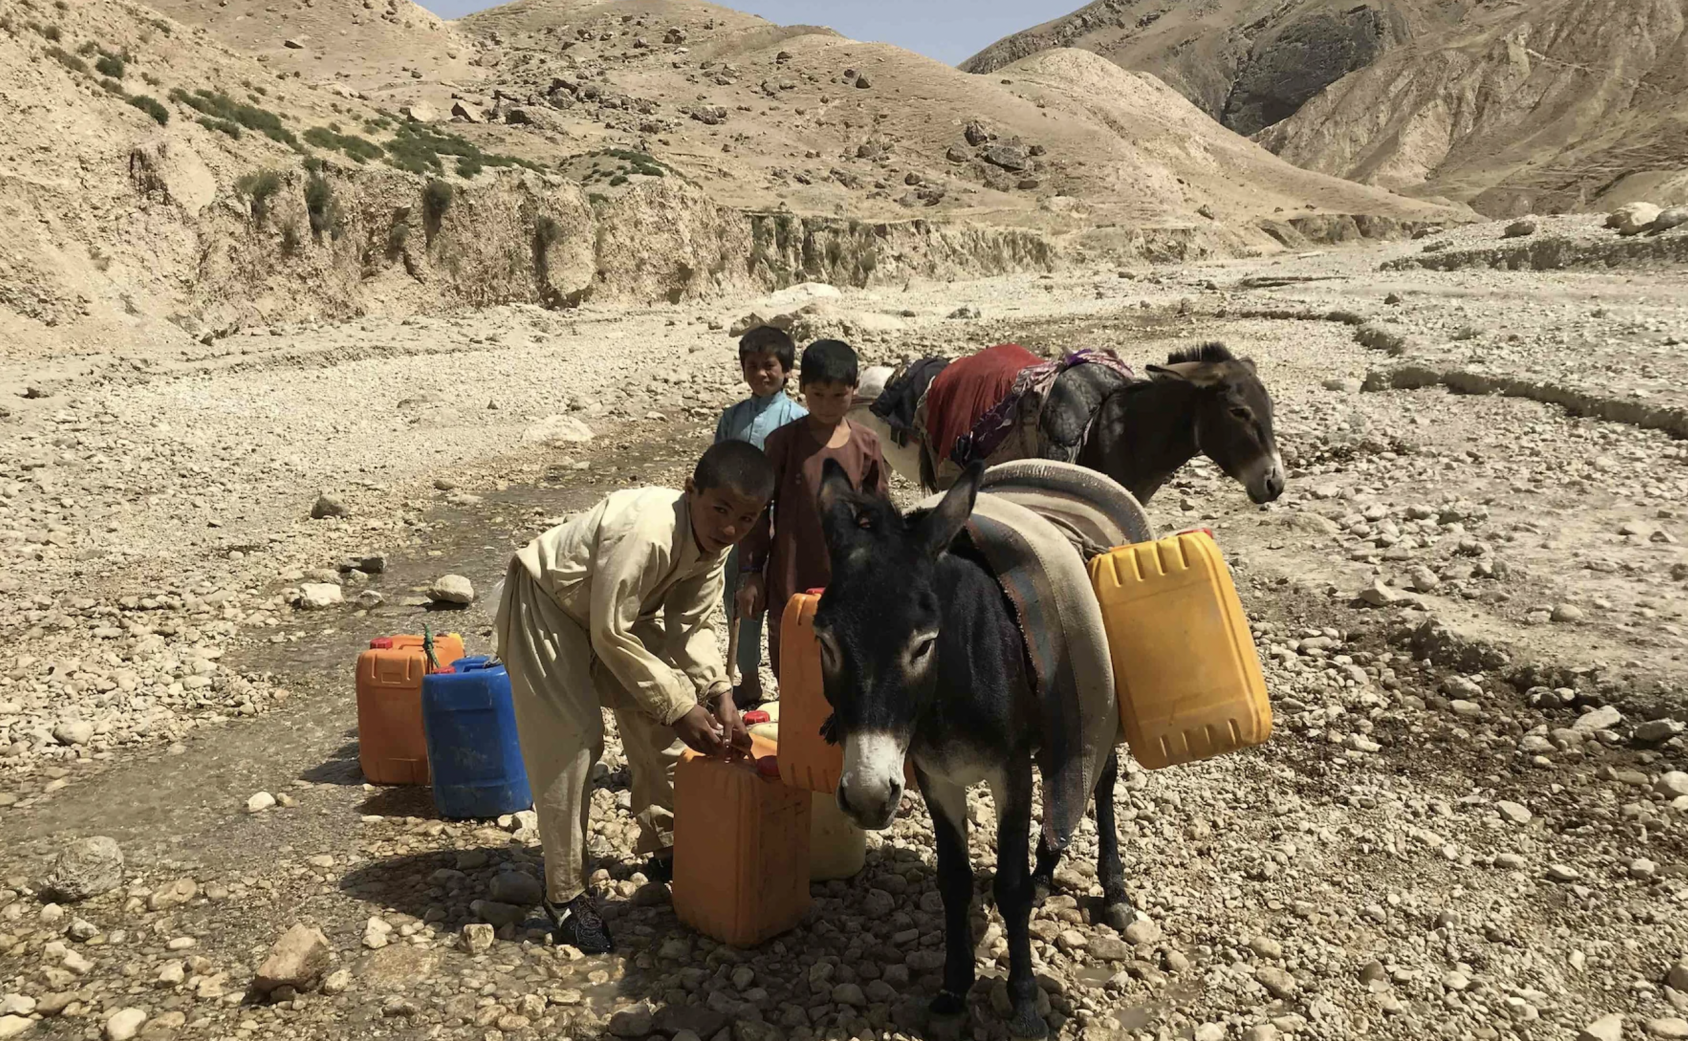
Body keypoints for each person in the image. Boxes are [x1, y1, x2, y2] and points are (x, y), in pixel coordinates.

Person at [494, 440, 775, 954]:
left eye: (747, 518)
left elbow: (690, 627)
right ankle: (566, 894)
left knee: (661, 722)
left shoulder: (717, 544)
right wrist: (681, 705)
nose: (730, 528)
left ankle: (666, 844)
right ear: (691, 491)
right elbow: (612, 634)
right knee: (573, 743)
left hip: (611, 618)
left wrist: (718, 692)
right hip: (549, 603)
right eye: (720, 510)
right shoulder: (648, 531)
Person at [737, 339, 888, 676]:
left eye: (839, 395)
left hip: (849, 576)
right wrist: (750, 574)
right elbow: (759, 512)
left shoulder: (867, 444)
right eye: (818, 394)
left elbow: (879, 513)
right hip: (791, 572)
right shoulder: (783, 442)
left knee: (849, 664)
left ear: (854, 389)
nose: (828, 405)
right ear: (803, 387)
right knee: (794, 662)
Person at [713, 325, 806, 706]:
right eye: (751, 366)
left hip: (781, 529)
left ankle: (795, 688)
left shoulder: (797, 418)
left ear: (786, 369)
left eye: (769, 365)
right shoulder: (732, 418)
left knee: (786, 606)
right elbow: (717, 465)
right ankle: (749, 681)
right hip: (737, 529)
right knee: (742, 602)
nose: (760, 374)